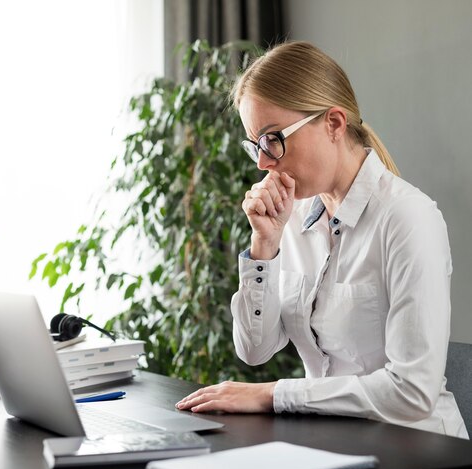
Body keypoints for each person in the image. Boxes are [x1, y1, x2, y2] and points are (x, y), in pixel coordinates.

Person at [175, 41, 468, 439]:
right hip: (334, 440)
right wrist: (265, 246)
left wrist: (276, 395)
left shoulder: (407, 219)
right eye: (255, 144)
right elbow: (254, 350)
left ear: (333, 123)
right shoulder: (291, 218)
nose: (263, 162)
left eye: (273, 137)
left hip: (417, 445)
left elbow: (412, 392)